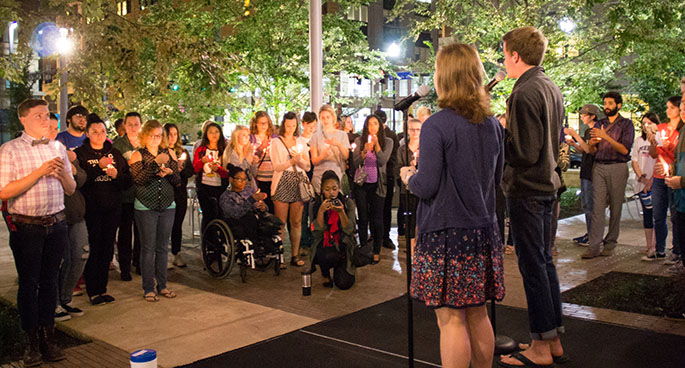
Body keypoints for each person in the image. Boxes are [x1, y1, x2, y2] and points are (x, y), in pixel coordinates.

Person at [402, 43, 504, 368]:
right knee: (477, 313)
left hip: (446, 233)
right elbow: (496, 179)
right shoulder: (492, 125)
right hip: (483, 230)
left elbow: (427, 184)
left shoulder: (437, 125)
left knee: (450, 320)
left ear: (444, 76)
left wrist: (408, 177)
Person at [499, 27, 567, 368]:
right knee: (544, 263)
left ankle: (540, 348)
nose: (503, 62)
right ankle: (551, 339)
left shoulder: (524, 92)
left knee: (533, 267)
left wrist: (498, 132)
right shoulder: (550, 86)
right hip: (548, 187)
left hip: (528, 189)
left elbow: (525, 152)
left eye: (504, 54)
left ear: (514, 54)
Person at [0, 99, 76, 366]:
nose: (46, 120)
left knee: (50, 282)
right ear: (23, 119)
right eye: (39, 116)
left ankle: (48, 338)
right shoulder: (9, 150)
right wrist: (39, 172)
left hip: (56, 223)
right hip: (27, 227)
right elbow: (4, 192)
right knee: (29, 283)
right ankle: (30, 342)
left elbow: (71, 188)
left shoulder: (57, 147)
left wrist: (61, 175)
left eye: (47, 115)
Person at [75, 114, 132, 305]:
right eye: (94, 132)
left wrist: (116, 176)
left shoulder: (114, 153)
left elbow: (126, 182)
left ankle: (102, 288)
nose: (99, 135)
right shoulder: (81, 154)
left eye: (102, 131)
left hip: (112, 209)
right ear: (87, 133)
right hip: (92, 209)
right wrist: (97, 168)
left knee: (107, 249)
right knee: (94, 248)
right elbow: (80, 181)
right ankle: (92, 290)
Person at [130, 120, 180, 302]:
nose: (155, 139)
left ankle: (163, 285)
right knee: (148, 248)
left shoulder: (170, 153)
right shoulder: (138, 155)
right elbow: (138, 180)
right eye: (152, 135)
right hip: (146, 205)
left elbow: (178, 180)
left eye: (159, 135)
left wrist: (169, 172)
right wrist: (154, 166)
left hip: (167, 204)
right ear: (145, 136)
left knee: (162, 248)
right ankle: (148, 288)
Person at [582, 91, 634, 259]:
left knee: (615, 206)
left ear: (618, 105)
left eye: (610, 103)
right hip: (599, 166)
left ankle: (610, 243)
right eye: (605, 103)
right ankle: (594, 245)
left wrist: (606, 137)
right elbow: (591, 150)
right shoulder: (600, 124)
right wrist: (592, 144)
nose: (607, 107)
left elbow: (625, 149)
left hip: (618, 166)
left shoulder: (626, 124)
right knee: (597, 207)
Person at [47, 114, 89, 322]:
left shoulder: (64, 152)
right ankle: (53, 303)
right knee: (60, 260)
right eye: (50, 128)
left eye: (55, 129)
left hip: (76, 212)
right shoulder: (40, 155)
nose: (53, 133)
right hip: (56, 214)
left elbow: (81, 179)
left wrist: (72, 169)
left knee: (81, 255)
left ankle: (66, 298)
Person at [643, 96, 683, 262]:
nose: (668, 111)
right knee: (658, 214)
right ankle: (659, 249)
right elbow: (653, 153)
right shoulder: (661, 128)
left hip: (675, 176)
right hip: (659, 176)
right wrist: (653, 142)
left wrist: (666, 147)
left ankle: (677, 251)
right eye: (667, 107)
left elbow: (677, 154)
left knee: (676, 215)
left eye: (672, 107)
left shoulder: (681, 131)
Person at [271, 112, 311, 267]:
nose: (290, 128)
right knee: (280, 222)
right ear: (283, 125)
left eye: (293, 126)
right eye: (288, 126)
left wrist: (299, 159)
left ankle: (294, 255)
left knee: (296, 221)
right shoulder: (276, 142)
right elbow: (276, 166)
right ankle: (279, 256)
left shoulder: (301, 141)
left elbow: (307, 166)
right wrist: (291, 161)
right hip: (282, 181)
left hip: (298, 181)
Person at [352, 114, 393, 264]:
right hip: (362, 184)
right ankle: (363, 247)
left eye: (375, 124)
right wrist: (363, 151)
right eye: (369, 124)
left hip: (378, 184)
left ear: (380, 126)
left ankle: (376, 250)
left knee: (377, 218)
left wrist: (376, 146)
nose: (372, 127)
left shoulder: (387, 141)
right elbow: (355, 164)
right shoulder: (359, 140)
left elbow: (382, 162)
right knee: (363, 217)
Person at [309, 170, 357, 289]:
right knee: (327, 255)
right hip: (325, 245)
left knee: (344, 284)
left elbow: (350, 229)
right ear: (321, 190)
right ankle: (325, 273)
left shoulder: (347, 203)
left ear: (339, 188)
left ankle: (341, 267)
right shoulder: (315, 205)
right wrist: (321, 211)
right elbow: (316, 233)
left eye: (334, 189)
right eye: (327, 189)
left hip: (343, 244)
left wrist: (341, 212)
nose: (331, 193)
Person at [112, 111, 143, 279]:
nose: (133, 127)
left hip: (143, 194)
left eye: (136, 124)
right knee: (125, 232)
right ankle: (124, 267)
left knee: (141, 231)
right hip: (125, 196)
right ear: (124, 125)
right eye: (129, 124)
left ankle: (138, 263)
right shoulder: (118, 145)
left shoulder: (145, 143)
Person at [565, 104, 601, 246]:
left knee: (590, 205)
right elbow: (584, 150)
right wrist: (574, 143)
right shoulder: (587, 131)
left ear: (592, 116)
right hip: (585, 170)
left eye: (585, 115)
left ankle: (593, 235)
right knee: (586, 204)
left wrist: (575, 135)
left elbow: (590, 150)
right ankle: (590, 233)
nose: (582, 117)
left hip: (592, 172)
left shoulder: (595, 131)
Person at [164, 123, 194, 267]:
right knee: (164, 225)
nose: (172, 137)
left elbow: (190, 171)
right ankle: (163, 255)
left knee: (177, 224)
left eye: (175, 134)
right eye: (169, 134)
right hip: (165, 193)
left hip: (180, 193)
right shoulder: (161, 153)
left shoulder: (182, 152)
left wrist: (181, 169)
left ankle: (177, 252)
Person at [193, 122, 228, 232]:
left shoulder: (224, 150)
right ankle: (208, 242)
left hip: (220, 187)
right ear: (206, 134)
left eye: (216, 132)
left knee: (220, 214)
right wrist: (202, 161)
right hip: (204, 187)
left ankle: (219, 240)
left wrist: (218, 169)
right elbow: (195, 168)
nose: (214, 135)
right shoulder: (201, 149)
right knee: (208, 215)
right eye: (211, 132)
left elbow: (228, 172)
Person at [373, 109, 399, 250]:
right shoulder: (370, 135)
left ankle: (385, 235)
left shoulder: (390, 136)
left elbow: (392, 158)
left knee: (386, 207)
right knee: (375, 207)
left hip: (387, 174)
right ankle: (376, 235)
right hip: (373, 174)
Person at [633, 113, 658, 256]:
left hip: (655, 181)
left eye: (649, 123)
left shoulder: (658, 140)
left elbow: (659, 159)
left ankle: (656, 245)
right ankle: (649, 244)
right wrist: (642, 178)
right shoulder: (639, 141)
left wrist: (652, 180)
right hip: (642, 181)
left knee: (657, 214)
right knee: (647, 214)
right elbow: (635, 160)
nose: (646, 126)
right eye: (644, 123)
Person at [395, 117, 422, 254]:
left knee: (420, 218)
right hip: (406, 189)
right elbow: (398, 169)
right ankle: (411, 249)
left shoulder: (426, 148)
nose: (415, 132)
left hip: (421, 189)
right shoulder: (402, 150)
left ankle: (419, 247)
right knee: (409, 219)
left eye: (418, 130)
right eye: (412, 129)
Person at [310, 105, 350, 193]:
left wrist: (338, 145)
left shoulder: (342, 135)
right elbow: (314, 161)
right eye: (322, 118)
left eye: (328, 117)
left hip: (337, 174)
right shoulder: (315, 137)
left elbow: (346, 156)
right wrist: (322, 156)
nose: (325, 120)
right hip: (320, 176)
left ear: (333, 117)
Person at [250, 111, 278, 213]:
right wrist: (261, 147)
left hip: (274, 176)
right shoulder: (252, 138)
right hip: (259, 177)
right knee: (262, 205)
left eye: (265, 123)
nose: (263, 125)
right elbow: (250, 157)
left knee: (273, 206)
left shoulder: (274, 138)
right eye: (260, 123)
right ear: (255, 123)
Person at [222, 125, 257, 196]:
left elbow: (252, 174)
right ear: (236, 136)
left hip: (251, 190)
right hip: (239, 193)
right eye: (244, 135)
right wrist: (247, 158)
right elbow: (239, 173)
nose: (247, 137)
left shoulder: (246, 151)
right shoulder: (232, 153)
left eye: (248, 135)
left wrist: (254, 164)